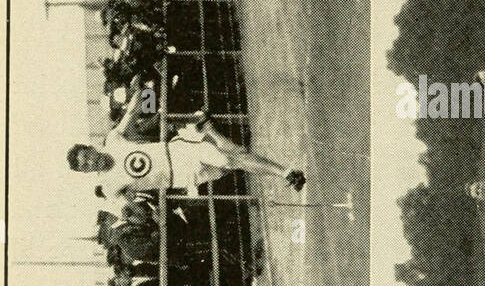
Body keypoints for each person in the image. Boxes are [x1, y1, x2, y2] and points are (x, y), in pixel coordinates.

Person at [67, 90, 307, 197]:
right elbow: (128, 208)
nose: (90, 162)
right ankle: (209, 130)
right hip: (180, 178)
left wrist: (140, 95)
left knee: (229, 159)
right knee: (230, 164)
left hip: (177, 151)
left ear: (91, 148)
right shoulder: (109, 187)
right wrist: (130, 204)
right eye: (85, 166)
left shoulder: (113, 139)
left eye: (87, 157)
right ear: (87, 172)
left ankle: (285, 173)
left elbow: (132, 112)